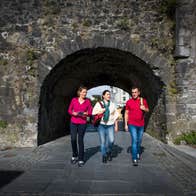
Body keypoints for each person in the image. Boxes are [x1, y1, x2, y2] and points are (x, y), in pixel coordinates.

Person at [68, 86, 92, 167]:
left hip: (82, 122)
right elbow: (69, 110)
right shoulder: (74, 100)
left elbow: (90, 112)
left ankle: (81, 159)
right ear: (79, 92)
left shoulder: (87, 101)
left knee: (80, 140)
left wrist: (86, 113)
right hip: (73, 122)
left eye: (86, 92)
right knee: (73, 139)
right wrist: (73, 113)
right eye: (83, 92)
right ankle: (75, 155)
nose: (85, 94)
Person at [92, 90, 119, 163]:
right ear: (103, 96)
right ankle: (104, 155)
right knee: (103, 142)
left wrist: (116, 125)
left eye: (109, 94)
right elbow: (93, 112)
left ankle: (109, 151)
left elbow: (116, 115)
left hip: (110, 125)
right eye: (107, 94)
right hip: (101, 125)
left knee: (112, 141)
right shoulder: (99, 104)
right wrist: (101, 111)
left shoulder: (112, 104)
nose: (109, 96)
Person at [124, 87, 149, 166]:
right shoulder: (128, 102)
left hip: (141, 124)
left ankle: (138, 152)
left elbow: (148, 110)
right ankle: (134, 158)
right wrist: (125, 124)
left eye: (135, 92)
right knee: (134, 140)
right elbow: (126, 113)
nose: (134, 94)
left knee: (139, 140)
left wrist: (144, 108)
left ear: (139, 93)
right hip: (132, 124)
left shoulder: (143, 101)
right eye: (132, 92)